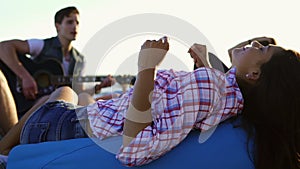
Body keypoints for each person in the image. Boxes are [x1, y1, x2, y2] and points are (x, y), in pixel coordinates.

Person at [0, 36, 299, 169]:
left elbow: (134, 149)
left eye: (262, 49)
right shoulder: (229, 98)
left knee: (54, 99)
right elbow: (213, 95)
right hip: (91, 122)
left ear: (255, 74)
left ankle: (3, 153)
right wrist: (205, 66)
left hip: (66, 130)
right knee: (75, 97)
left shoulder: (212, 88)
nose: (255, 45)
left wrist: (147, 67)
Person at [0, 6, 115, 117]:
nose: (74, 26)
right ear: (58, 26)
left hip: (56, 104)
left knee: (103, 97)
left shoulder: (79, 60)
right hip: (33, 103)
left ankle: (92, 127)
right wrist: (25, 77)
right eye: (69, 22)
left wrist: (98, 87)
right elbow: (4, 47)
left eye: (77, 23)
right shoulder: (42, 45)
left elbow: (79, 92)